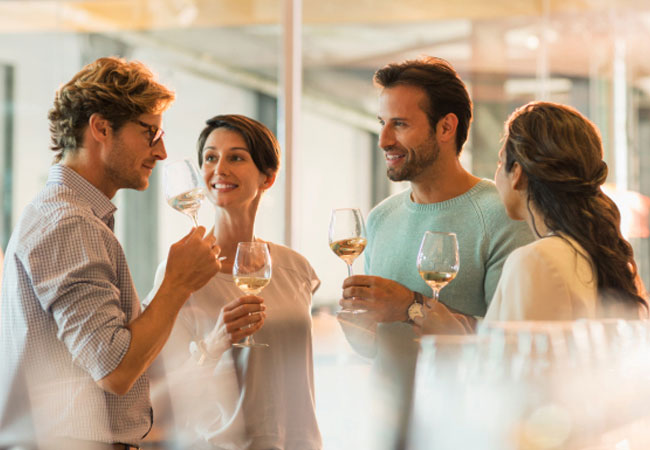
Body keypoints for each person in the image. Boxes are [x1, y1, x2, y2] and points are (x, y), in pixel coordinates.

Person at [0, 57, 222, 450]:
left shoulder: (69, 215)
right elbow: (115, 370)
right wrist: (177, 283)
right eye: (150, 133)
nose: (163, 151)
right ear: (101, 128)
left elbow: (111, 350)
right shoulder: (69, 224)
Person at [337, 57, 534, 448]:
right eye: (382, 124)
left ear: (446, 127)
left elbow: (514, 346)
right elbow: (382, 346)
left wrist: (411, 306)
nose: (384, 141)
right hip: (391, 429)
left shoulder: (502, 214)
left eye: (401, 124)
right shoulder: (380, 219)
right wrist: (363, 333)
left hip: (471, 432)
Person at [146, 114, 322, 449]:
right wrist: (215, 343)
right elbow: (161, 392)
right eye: (211, 157)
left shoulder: (298, 270)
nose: (219, 168)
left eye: (236, 157)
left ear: (267, 177)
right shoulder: (179, 274)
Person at [418, 101, 646, 332]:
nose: (496, 174)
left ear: (517, 173)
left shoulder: (535, 260)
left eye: (500, 162)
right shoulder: (604, 256)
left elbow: (516, 364)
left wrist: (449, 339)